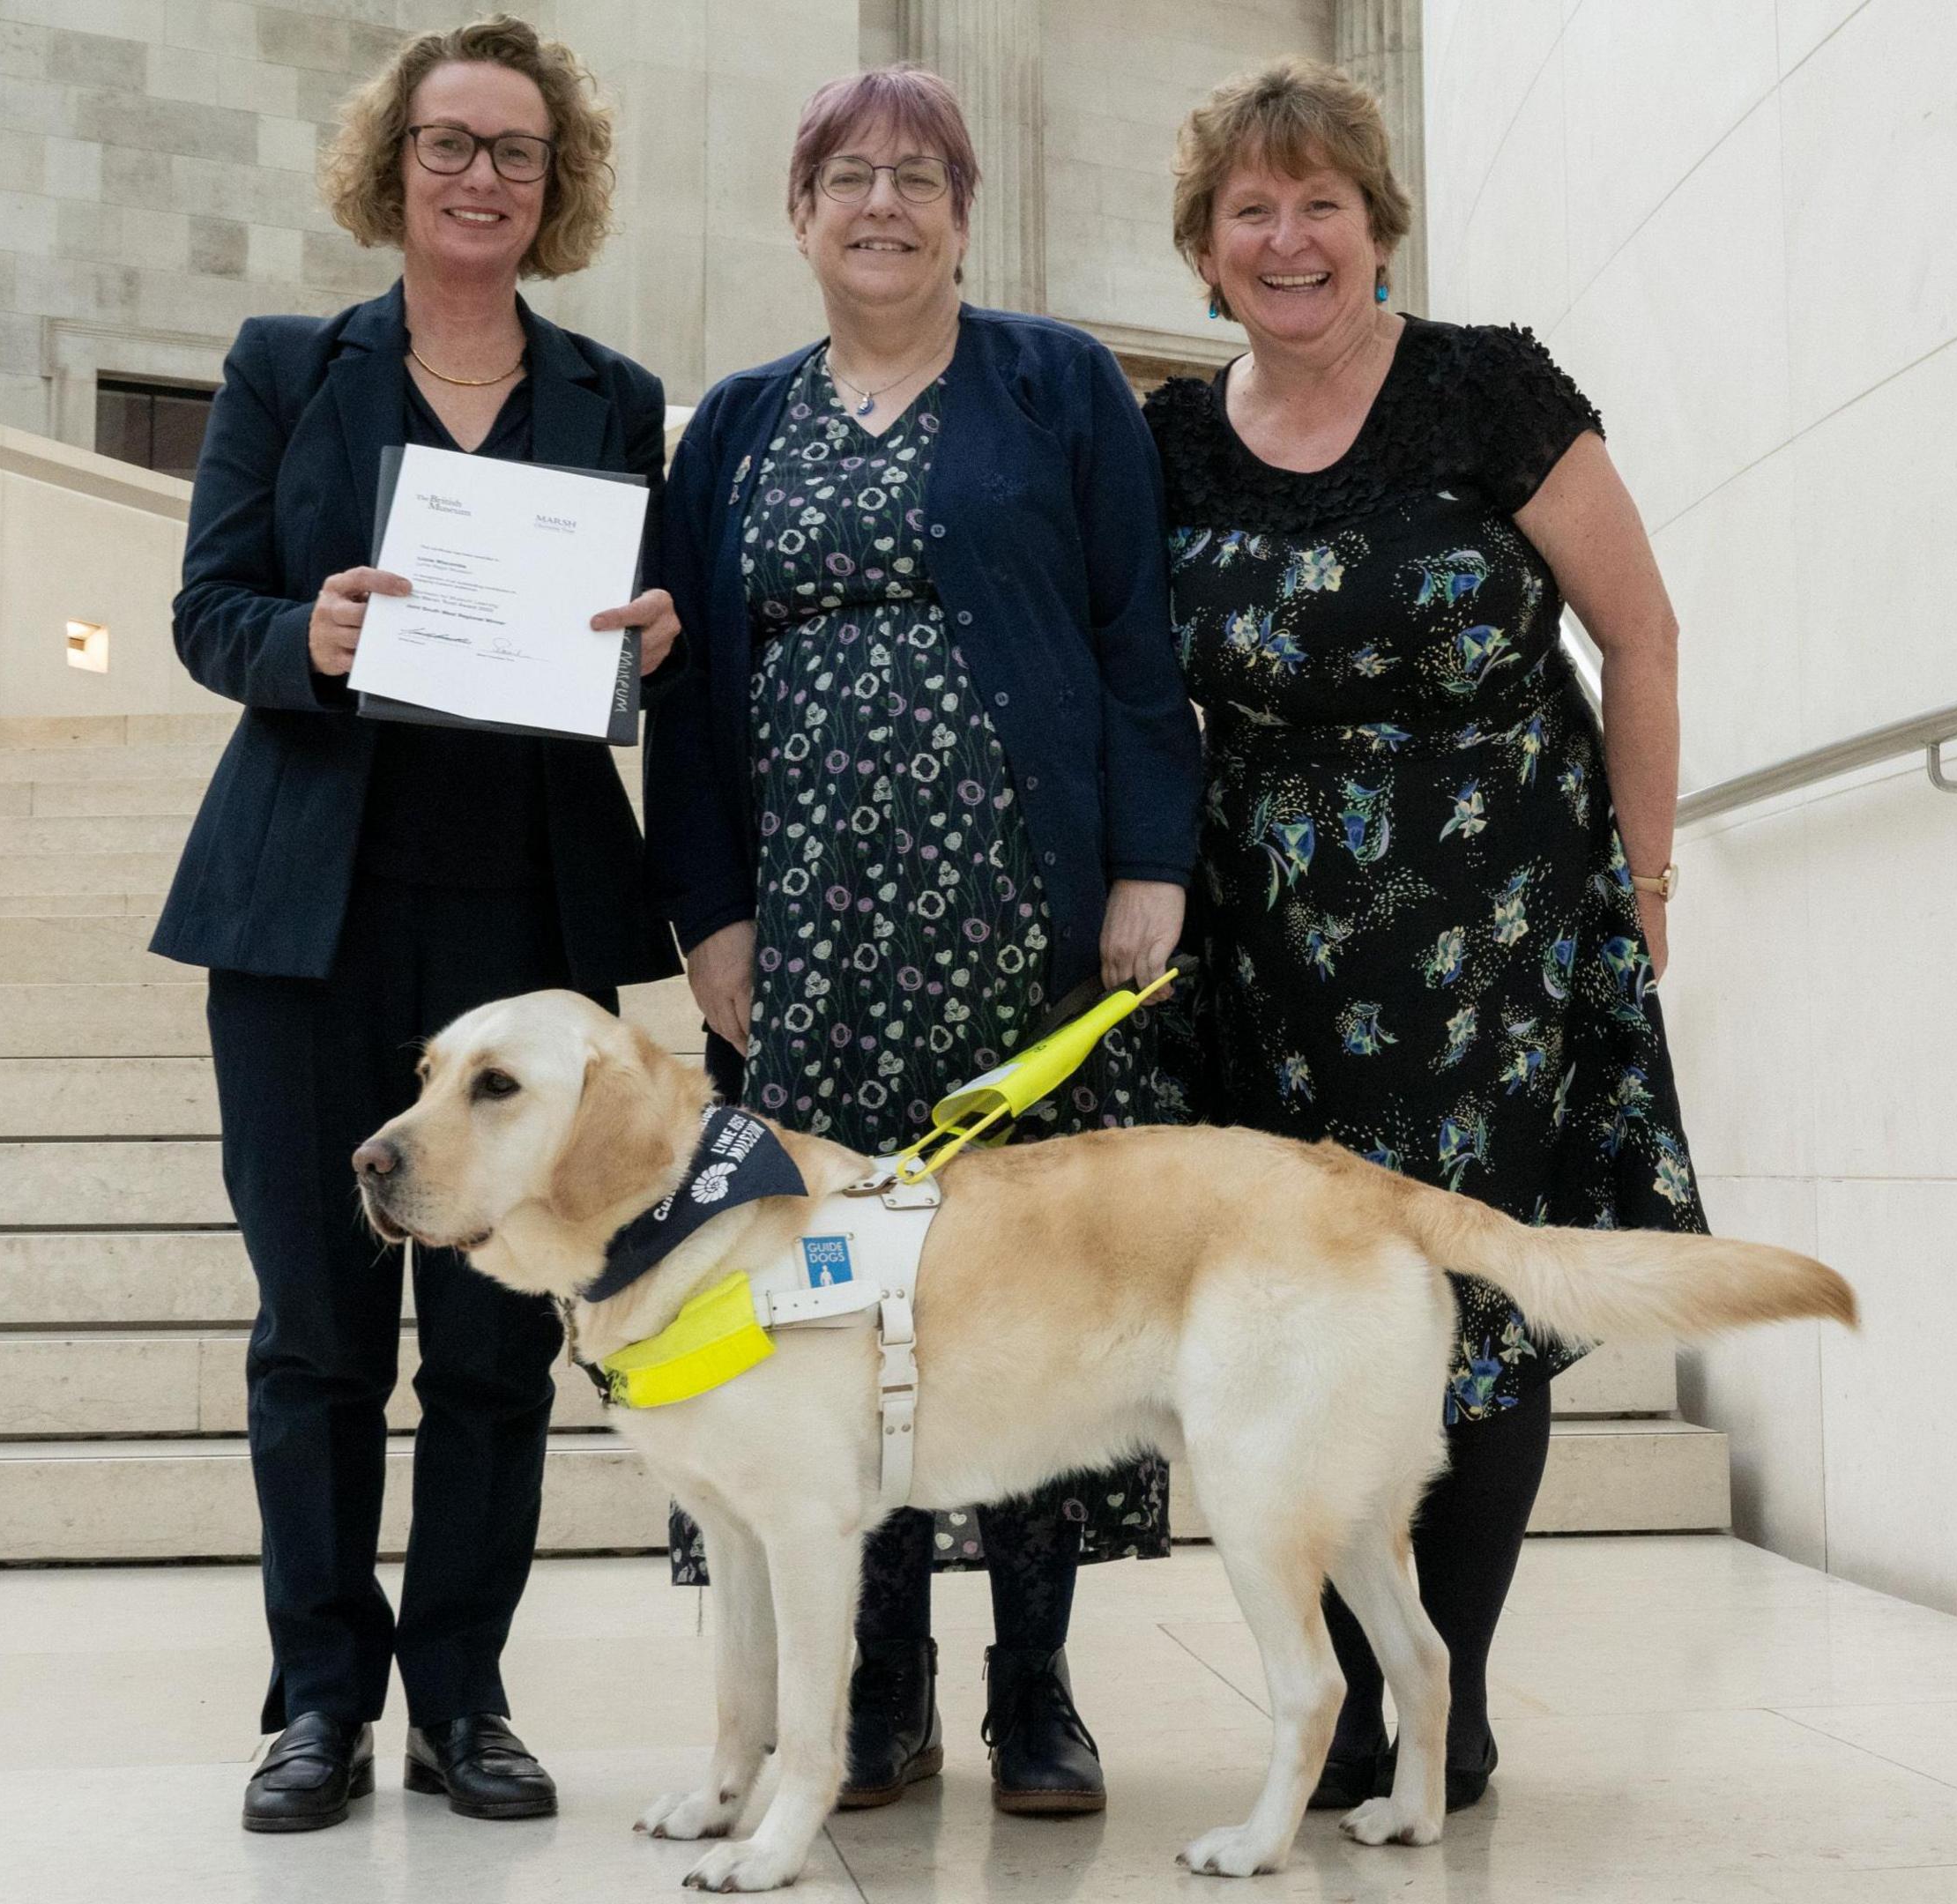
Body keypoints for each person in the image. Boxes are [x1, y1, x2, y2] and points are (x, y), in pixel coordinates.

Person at [1143, 56, 1709, 1811]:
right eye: (1255, 210)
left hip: (1494, 943)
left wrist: (1647, 881)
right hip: (1270, 953)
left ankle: (1439, 1710)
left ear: (1377, 228)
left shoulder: (1487, 391)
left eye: (1324, 203)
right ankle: (1351, 1700)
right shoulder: (1168, 441)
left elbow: (1645, 635)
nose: (1291, 236)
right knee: (1311, 1337)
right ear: (1207, 248)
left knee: (1470, 1313)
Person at [641, 66, 1202, 1818]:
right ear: (799, 216)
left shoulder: (1059, 387)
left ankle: (1034, 1692)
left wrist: (1149, 862)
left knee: (1027, 1299)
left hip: (1015, 921)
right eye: (846, 179)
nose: (882, 204)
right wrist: (712, 914)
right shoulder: (733, 428)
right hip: (810, 939)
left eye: (917, 178)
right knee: (823, 1310)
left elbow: (1133, 635)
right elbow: (686, 698)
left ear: (963, 212)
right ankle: (868, 1697)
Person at [148, 14, 682, 1834]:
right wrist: (305, 635)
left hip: (524, 923)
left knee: (493, 1345)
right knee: (315, 1333)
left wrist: (659, 643)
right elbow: (207, 606)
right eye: (450, 144)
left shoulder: (611, 395)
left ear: (559, 185)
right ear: (395, 166)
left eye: (515, 153)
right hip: (302, 916)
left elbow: (643, 624)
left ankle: (463, 1697)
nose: (479, 177)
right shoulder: (288, 364)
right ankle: (318, 1705)